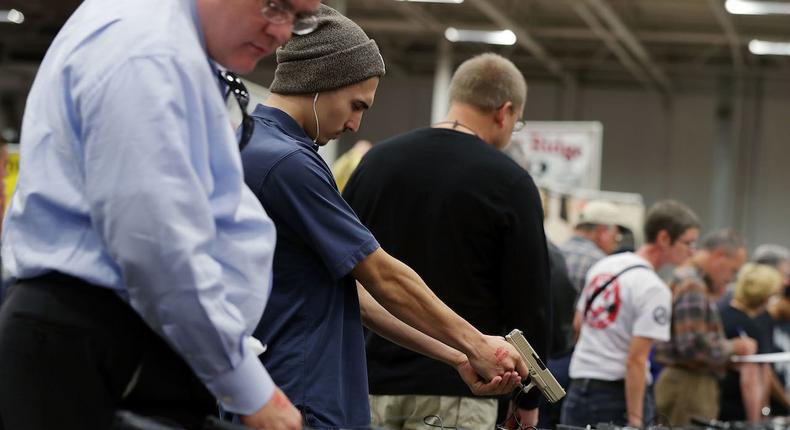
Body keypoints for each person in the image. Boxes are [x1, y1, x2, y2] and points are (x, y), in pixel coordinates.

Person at [0, 0, 321, 429]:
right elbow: (156, 245)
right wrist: (248, 388)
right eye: (274, 6)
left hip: (121, 342)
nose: (282, 33)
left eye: (299, 19)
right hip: (96, 345)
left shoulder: (167, 44)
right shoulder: (146, 50)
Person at [239, 11, 528, 429]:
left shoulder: (255, 145)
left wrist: (457, 355)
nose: (356, 124)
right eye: (356, 105)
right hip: (300, 394)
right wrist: (478, 343)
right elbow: (381, 274)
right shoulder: (288, 163)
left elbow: (354, 295)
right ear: (322, 78)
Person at [342, 52, 552, 430]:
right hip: (461, 390)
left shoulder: (375, 164)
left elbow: (343, 266)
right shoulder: (509, 182)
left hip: (365, 383)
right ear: (504, 112)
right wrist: (528, 397)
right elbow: (529, 300)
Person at [560, 200, 700, 428]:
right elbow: (636, 360)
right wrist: (635, 421)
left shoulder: (605, 265)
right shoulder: (654, 288)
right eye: (689, 243)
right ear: (664, 238)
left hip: (578, 389)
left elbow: (578, 325)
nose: (693, 252)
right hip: (617, 395)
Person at [654, 229, 756, 426]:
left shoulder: (687, 279)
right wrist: (735, 347)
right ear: (719, 255)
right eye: (733, 270)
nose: (730, 278)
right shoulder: (693, 285)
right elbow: (693, 346)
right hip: (690, 387)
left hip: (685, 384)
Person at [718, 263, 781, 422]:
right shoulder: (745, 324)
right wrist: (757, 419)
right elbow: (751, 376)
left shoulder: (725, 312)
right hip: (736, 406)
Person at [561, 200, 622, 293]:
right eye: (615, 237)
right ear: (603, 232)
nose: (616, 244)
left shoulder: (555, 252)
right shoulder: (601, 263)